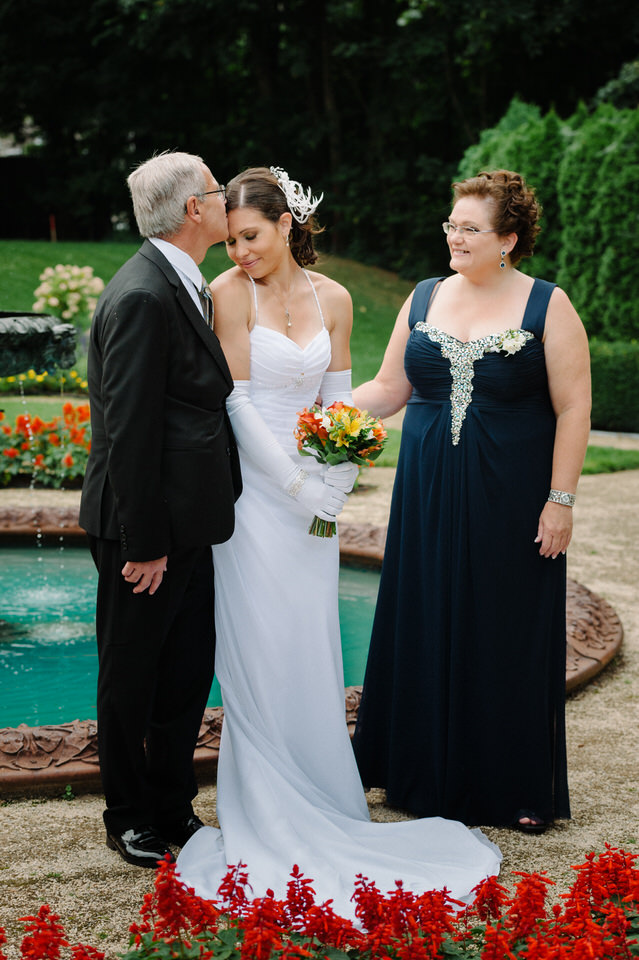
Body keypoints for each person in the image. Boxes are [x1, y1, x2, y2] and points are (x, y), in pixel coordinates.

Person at [176, 166, 500, 920]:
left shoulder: (336, 299)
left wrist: (337, 473)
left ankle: (325, 796)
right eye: (229, 242)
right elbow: (238, 403)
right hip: (256, 502)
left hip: (315, 501)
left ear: (286, 225)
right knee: (258, 646)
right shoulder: (226, 295)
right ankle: (266, 809)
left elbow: (338, 397)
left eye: (250, 237)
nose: (239, 254)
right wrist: (292, 486)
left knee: (311, 641)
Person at [352, 169, 591, 834]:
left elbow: (574, 407)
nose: (453, 237)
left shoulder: (547, 304)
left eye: (469, 228)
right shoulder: (424, 295)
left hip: (511, 499)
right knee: (424, 617)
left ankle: (510, 785)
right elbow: (389, 386)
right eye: (450, 225)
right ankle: (416, 773)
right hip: (426, 498)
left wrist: (559, 501)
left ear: (507, 239)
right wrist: (325, 412)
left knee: (504, 629)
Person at [79, 151, 242, 868]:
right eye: (216, 189)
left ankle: (174, 806)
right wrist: (143, 541)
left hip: (189, 522)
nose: (225, 198)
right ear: (192, 210)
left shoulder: (185, 282)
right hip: (140, 527)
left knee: (183, 672)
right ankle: (129, 817)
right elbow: (128, 427)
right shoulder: (143, 294)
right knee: (132, 673)